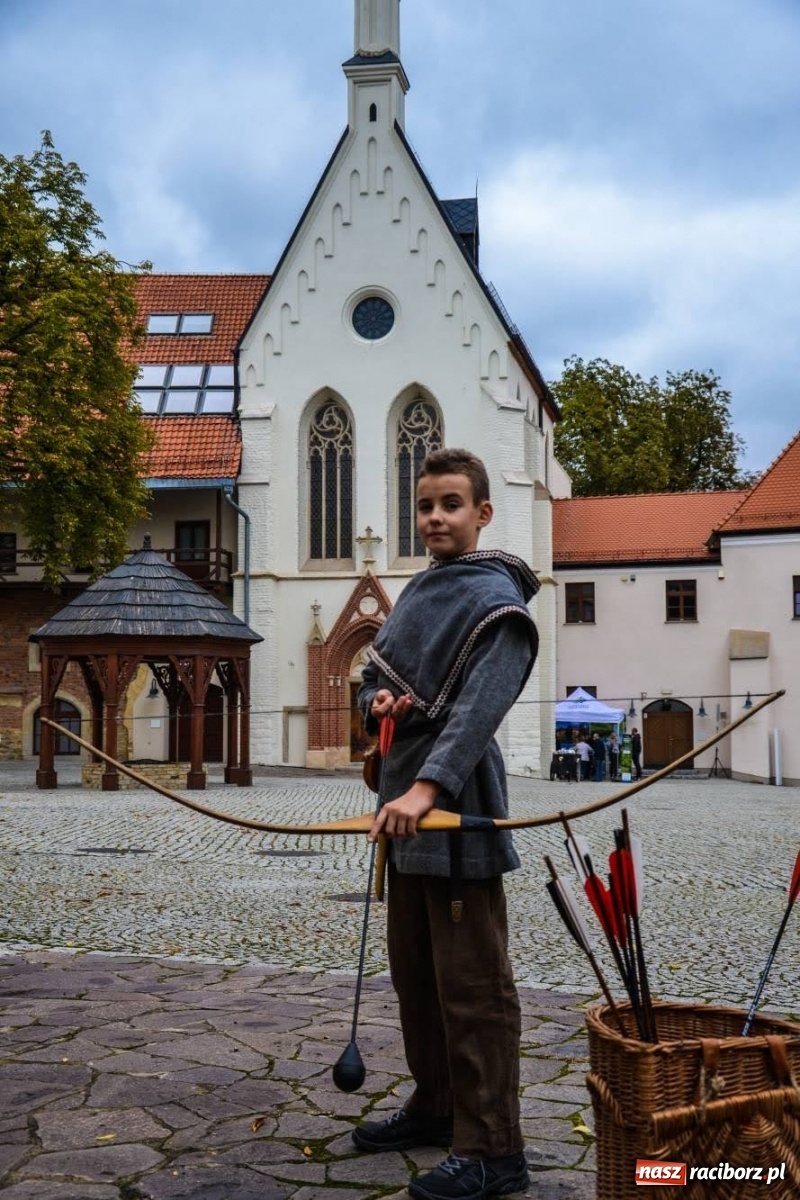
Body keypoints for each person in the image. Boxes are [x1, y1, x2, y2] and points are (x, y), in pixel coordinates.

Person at [353, 448, 539, 1200]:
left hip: (455, 815)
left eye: (451, 504)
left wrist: (429, 789)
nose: (435, 517)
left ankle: (494, 1149)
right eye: (426, 505)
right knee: (417, 979)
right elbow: (379, 672)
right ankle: (435, 1108)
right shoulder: (424, 590)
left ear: (482, 514)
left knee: (472, 987)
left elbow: (479, 708)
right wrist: (379, 705)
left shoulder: (494, 596)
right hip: (405, 820)